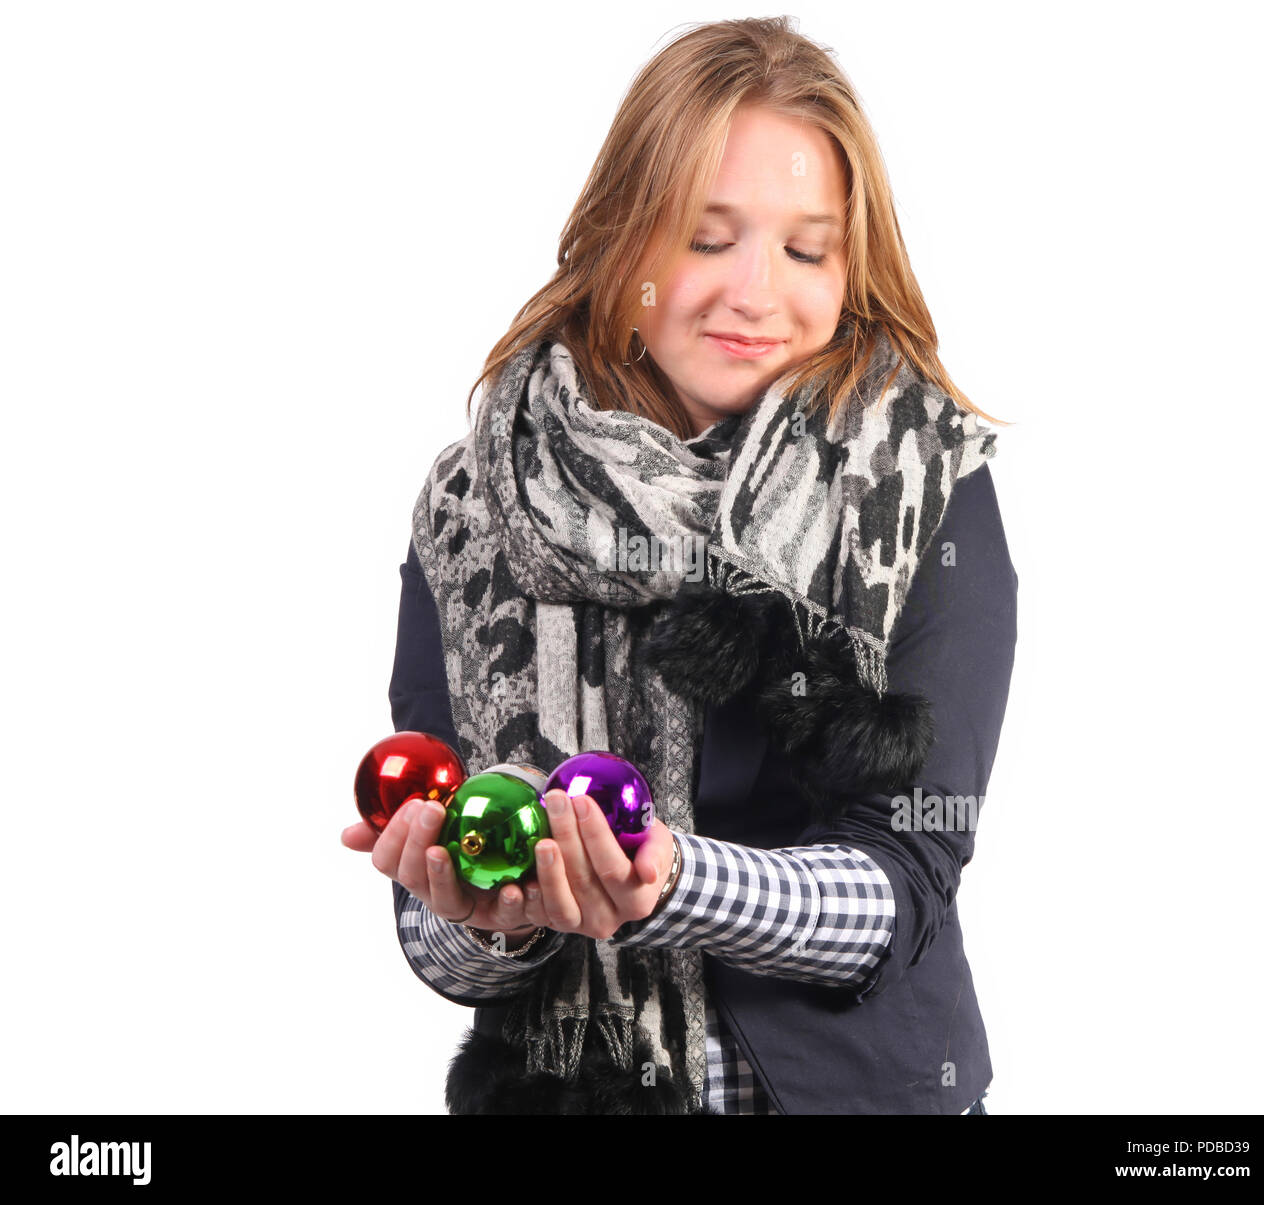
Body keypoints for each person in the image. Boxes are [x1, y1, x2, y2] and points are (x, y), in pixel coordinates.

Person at [341, 16, 1017, 1115]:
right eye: (708, 240)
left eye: (806, 249)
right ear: (624, 239)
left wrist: (667, 879)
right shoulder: (475, 502)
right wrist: (481, 914)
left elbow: (905, 886)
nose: (756, 293)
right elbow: (441, 929)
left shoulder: (922, 487)